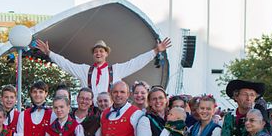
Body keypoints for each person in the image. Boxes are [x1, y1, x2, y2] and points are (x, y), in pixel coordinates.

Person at [36, 38, 171, 101]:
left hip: (110, 112)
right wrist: (49, 53)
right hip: (90, 113)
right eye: (96, 51)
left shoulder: (116, 69)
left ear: (106, 54)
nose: (98, 53)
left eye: (101, 51)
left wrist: (155, 51)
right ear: (93, 54)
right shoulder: (85, 70)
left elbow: (135, 63)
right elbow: (66, 64)